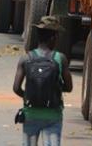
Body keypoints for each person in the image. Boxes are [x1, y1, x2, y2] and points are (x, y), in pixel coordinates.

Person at [12, 16, 72, 146]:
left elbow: (16, 88)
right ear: (54, 37)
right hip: (53, 115)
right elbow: (69, 87)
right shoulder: (60, 58)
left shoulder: (25, 58)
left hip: (31, 114)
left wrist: (29, 96)